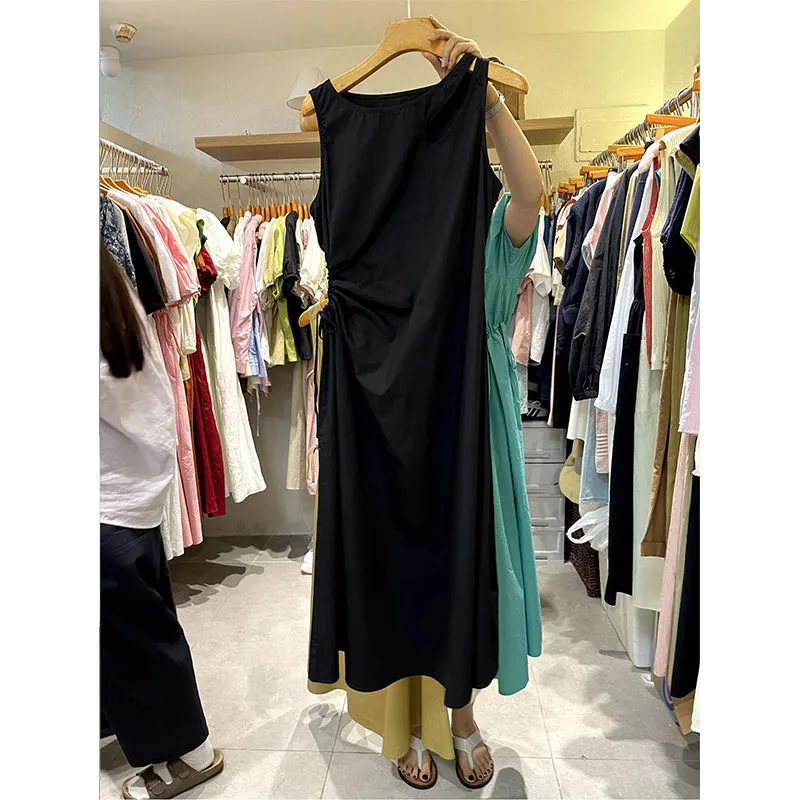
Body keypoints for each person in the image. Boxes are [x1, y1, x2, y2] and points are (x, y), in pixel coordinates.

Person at [308, 18, 545, 791]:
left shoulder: (492, 231)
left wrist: (487, 102)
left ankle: (462, 716)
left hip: (469, 424)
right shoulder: (386, 238)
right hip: (387, 416)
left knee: (463, 576)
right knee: (394, 571)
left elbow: (531, 192)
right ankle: (402, 726)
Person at [100, 239, 224, 799]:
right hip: (128, 488)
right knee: (137, 624)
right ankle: (129, 721)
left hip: (106, 497)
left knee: (134, 634)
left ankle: (189, 751)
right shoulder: (108, 282)